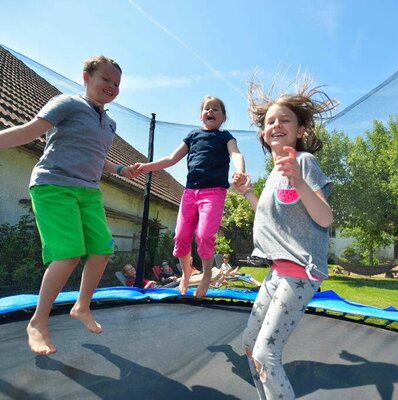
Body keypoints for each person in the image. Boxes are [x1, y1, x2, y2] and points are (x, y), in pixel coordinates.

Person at [0, 55, 138, 355]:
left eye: (116, 84)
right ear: (86, 77)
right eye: (105, 79)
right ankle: (37, 322)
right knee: (70, 254)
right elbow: (29, 130)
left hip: (88, 191)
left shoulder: (109, 123)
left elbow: (96, 157)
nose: (111, 86)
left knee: (101, 251)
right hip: (54, 185)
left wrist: (119, 170)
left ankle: (82, 306)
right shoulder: (67, 104)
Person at [233, 73, 337, 400]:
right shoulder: (276, 174)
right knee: (250, 348)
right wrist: (249, 193)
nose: (275, 124)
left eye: (284, 120)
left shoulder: (302, 162)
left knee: (267, 354)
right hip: (277, 272)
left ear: (300, 130)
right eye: (269, 121)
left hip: (302, 272)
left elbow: (325, 217)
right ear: (263, 134)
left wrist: (301, 182)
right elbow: (268, 217)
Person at [133, 96, 246, 298]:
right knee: (181, 236)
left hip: (214, 192)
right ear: (200, 115)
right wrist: (146, 167)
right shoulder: (193, 136)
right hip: (190, 192)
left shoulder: (225, 137)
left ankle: (206, 274)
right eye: (206, 108)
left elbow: (236, 153)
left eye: (215, 109)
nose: (210, 111)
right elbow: (170, 159)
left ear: (223, 117)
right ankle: (186, 274)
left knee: (203, 236)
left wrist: (240, 171)